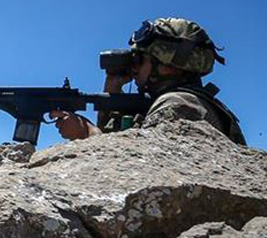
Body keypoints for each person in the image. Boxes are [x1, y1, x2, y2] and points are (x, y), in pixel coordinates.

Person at [50, 17, 246, 145]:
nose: (133, 68)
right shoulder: (182, 101)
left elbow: (139, 168)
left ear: (168, 66)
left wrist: (86, 132)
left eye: (140, 60)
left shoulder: (178, 105)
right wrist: (112, 89)